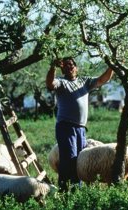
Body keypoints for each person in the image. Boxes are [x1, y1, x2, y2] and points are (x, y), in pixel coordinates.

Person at [46, 57, 113, 191]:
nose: (69, 67)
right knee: (69, 159)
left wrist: (112, 66)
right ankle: (65, 191)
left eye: (71, 65)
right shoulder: (62, 82)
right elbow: (50, 84)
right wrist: (53, 67)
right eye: (66, 65)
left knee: (79, 161)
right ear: (62, 69)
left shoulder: (84, 82)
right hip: (66, 127)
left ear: (76, 68)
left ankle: (76, 190)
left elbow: (102, 80)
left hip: (81, 129)